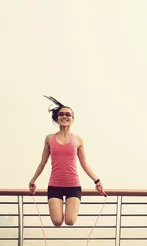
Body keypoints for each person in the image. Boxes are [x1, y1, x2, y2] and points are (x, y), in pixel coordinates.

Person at [29, 96, 105, 227]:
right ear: (57, 118)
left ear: (73, 119)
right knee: (57, 222)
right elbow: (43, 162)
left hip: (73, 186)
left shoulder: (78, 140)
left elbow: (84, 163)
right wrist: (33, 180)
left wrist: (97, 181)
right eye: (61, 114)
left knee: (70, 221)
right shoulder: (49, 138)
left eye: (68, 114)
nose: (65, 116)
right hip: (54, 185)